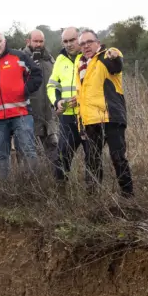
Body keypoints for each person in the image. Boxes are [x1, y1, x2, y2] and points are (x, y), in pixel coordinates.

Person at [0, 31, 41, 179]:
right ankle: (6, 188)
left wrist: (25, 90)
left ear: (4, 42)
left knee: (28, 151)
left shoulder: (19, 57)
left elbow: (36, 74)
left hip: (21, 113)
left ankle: (33, 187)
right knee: (1, 155)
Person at [76, 29, 133, 197]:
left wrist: (115, 54)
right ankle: (93, 198)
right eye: (82, 43)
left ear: (98, 43)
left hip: (111, 117)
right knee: (92, 159)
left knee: (118, 157)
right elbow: (84, 94)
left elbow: (117, 63)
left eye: (89, 42)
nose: (86, 46)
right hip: (90, 120)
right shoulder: (81, 65)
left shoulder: (105, 57)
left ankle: (128, 196)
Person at [47, 27, 84, 184]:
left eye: (72, 40)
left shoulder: (89, 56)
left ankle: (93, 192)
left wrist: (81, 99)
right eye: (65, 41)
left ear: (79, 39)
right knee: (62, 156)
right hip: (67, 117)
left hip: (87, 115)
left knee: (92, 156)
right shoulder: (60, 60)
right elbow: (52, 86)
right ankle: (60, 190)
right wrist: (57, 102)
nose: (69, 44)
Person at [25, 29, 57, 161]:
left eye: (41, 41)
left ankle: (53, 173)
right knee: (32, 151)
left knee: (54, 148)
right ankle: (35, 173)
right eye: (35, 41)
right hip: (30, 115)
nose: (38, 44)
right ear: (28, 41)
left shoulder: (50, 60)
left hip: (49, 114)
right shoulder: (21, 59)